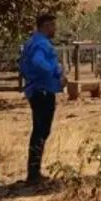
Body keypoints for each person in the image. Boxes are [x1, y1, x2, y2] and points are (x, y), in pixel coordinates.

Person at [19, 11, 64, 185]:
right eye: (53, 25)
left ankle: (34, 171)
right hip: (42, 91)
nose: (55, 29)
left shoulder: (31, 42)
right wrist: (56, 73)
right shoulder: (41, 44)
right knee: (41, 131)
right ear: (46, 26)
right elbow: (38, 62)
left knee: (39, 130)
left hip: (35, 90)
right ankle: (33, 173)